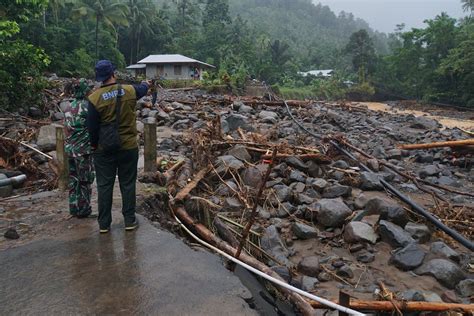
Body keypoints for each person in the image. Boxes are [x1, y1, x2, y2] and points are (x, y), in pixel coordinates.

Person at [86, 60, 149, 233]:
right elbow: (143, 89)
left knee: (104, 185)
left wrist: (94, 146)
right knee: (127, 184)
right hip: (128, 147)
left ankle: (104, 225)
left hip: (104, 149)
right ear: (113, 73)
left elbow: (92, 127)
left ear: (99, 77)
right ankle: (129, 220)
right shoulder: (129, 90)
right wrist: (145, 83)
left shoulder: (94, 98)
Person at [64, 78, 95, 218]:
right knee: (85, 180)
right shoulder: (88, 107)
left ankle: (73, 208)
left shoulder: (68, 107)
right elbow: (94, 127)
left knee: (73, 180)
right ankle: (84, 209)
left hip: (70, 150)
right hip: (83, 151)